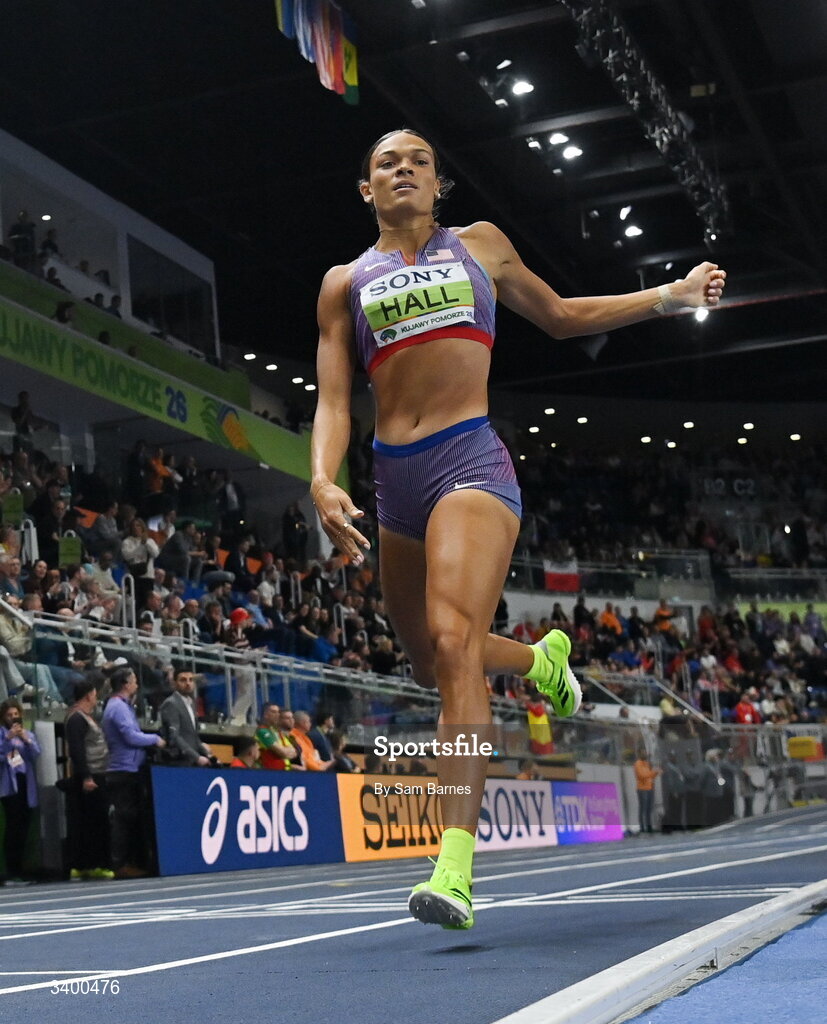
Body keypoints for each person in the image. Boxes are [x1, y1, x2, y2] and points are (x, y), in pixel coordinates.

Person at [310, 127, 725, 928]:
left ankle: (454, 870)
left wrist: (666, 295)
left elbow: (565, 317)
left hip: (468, 459)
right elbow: (334, 400)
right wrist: (322, 479)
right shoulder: (342, 283)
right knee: (431, 662)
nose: (404, 169)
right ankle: (539, 661)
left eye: (420, 160)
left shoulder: (481, 247)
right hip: (394, 480)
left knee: (456, 641)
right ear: (366, 190)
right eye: (386, 163)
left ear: (439, 185)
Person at [101, 666, 165, 878]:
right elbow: (131, 736)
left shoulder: (122, 706)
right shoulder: (118, 708)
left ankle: (126, 862)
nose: (137, 684)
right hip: (123, 769)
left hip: (128, 767)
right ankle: (120, 864)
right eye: (134, 681)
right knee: (124, 819)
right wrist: (155, 739)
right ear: (126, 684)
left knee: (128, 817)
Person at [63, 675, 114, 880]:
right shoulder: (77, 718)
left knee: (91, 821)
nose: (96, 697)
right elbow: (76, 750)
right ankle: (93, 864)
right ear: (88, 696)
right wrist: (86, 776)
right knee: (94, 821)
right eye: (94, 694)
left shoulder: (86, 716)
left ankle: (86, 863)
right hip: (90, 776)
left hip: (96, 773)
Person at [0, 699, 41, 884]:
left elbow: (35, 753)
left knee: (24, 826)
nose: (13, 718)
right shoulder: (2, 734)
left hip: (26, 782)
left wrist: (26, 739)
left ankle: (21, 869)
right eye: (9, 715)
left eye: (15, 714)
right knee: (13, 826)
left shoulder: (27, 733)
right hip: (10, 784)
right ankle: (10, 870)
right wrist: (8, 739)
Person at [159, 668, 213, 766]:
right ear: (175, 683)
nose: (188, 683)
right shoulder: (171, 703)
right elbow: (174, 736)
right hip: (178, 761)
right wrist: (197, 757)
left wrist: (206, 754)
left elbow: (193, 736)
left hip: (191, 761)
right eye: (183, 680)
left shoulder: (191, 704)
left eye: (191, 680)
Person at [255, 703, 299, 771]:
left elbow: (294, 751)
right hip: (270, 772)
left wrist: (286, 751)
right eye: (273, 712)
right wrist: (285, 751)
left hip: (283, 771)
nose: (277, 715)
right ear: (265, 715)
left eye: (278, 712)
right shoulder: (262, 732)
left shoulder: (275, 731)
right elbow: (283, 753)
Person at [634, 751, 661, 835]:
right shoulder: (637, 764)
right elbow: (642, 775)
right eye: (643, 753)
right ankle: (642, 827)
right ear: (639, 754)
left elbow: (650, 775)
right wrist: (653, 772)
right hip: (642, 789)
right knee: (643, 809)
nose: (644, 755)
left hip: (649, 788)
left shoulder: (646, 763)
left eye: (645, 753)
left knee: (649, 809)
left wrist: (656, 773)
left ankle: (649, 827)